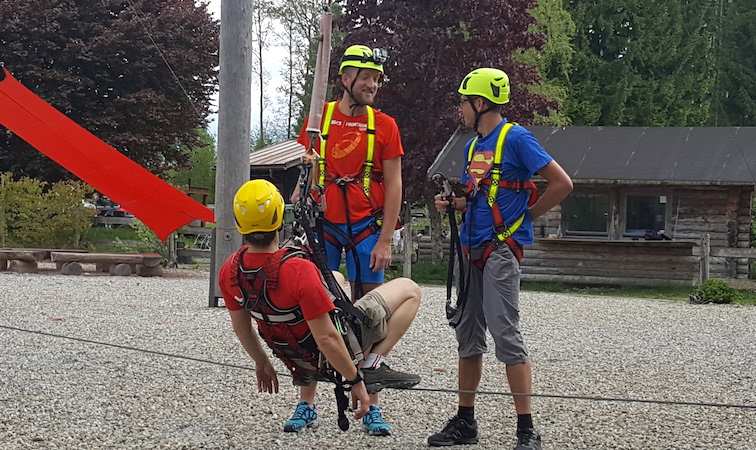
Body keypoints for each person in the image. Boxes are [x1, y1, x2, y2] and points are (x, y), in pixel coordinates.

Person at [428, 68, 573, 450]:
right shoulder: (472, 147)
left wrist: (527, 217)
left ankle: (527, 430)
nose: (459, 109)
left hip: (499, 251)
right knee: (467, 336)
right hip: (470, 249)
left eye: (463, 102)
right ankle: (465, 421)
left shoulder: (517, 138)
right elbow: (481, 196)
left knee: (506, 334)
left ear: (480, 103)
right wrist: (453, 203)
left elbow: (562, 183)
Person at [219, 179, 421, 436]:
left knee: (335, 278)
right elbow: (326, 337)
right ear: (280, 219)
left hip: (294, 353)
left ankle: (307, 402)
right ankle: (372, 363)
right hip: (336, 349)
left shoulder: (230, 269)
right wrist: (354, 380)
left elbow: (242, 327)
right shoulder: (297, 269)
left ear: (239, 224)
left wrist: (262, 362)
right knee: (410, 289)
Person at [291, 44, 406, 431]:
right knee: (312, 311)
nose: (374, 84)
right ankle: (306, 402)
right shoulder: (317, 119)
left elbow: (394, 185)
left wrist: (386, 239)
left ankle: (370, 405)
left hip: (366, 231)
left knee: (369, 316)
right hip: (323, 228)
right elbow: (305, 170)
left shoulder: (385, 125)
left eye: (377, 78)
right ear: (345, 79)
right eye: (367, 77)